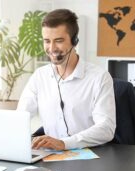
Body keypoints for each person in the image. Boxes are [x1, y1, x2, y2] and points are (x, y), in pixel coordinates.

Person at [17, 9, 116, 150]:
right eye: (46, 41)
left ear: (74, 41)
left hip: (91, 155)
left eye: (58, 41)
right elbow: (20, 117)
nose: (51, 48)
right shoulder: (40, 76)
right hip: (52, 157)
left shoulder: (99, 78)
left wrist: (64, 143)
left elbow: (106, 129)